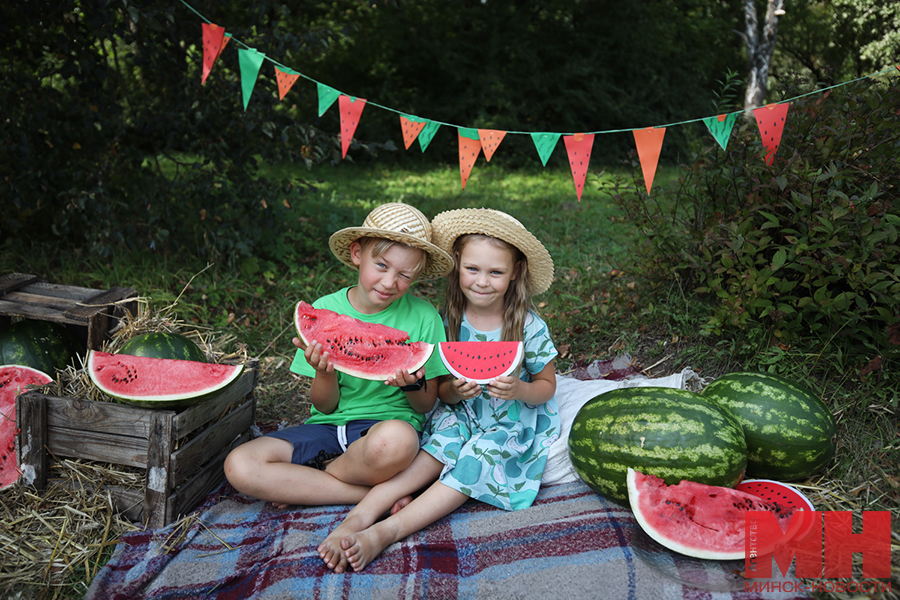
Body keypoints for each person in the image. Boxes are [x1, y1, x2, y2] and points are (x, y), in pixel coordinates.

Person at [318, 207, 559, 573]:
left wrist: (520, 391)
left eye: (496, 272)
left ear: (515, 274)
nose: (482, 281)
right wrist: (455, 393)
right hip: (459, 414)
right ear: (458, 266)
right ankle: (355, 520)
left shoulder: (528, 325)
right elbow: (442, 391)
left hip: (507, 425)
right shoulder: (446, 321)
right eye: (472, 269)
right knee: (429, 455)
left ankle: (387, 531)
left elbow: (547, 386)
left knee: (475, 458)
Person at [224, 202, 454, 508]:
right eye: (382, 266)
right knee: (239, 465)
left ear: (418, 275)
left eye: (405, 276)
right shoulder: (325, 311)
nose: (389, 283)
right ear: (358, 254)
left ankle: (314, 477)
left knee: (397, 441)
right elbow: (324, 405)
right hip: (325, 430)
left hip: (383, 434)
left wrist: (411, 384)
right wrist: (324, 372)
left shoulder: (424, 317)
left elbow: (426, 404)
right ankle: (374, 495)